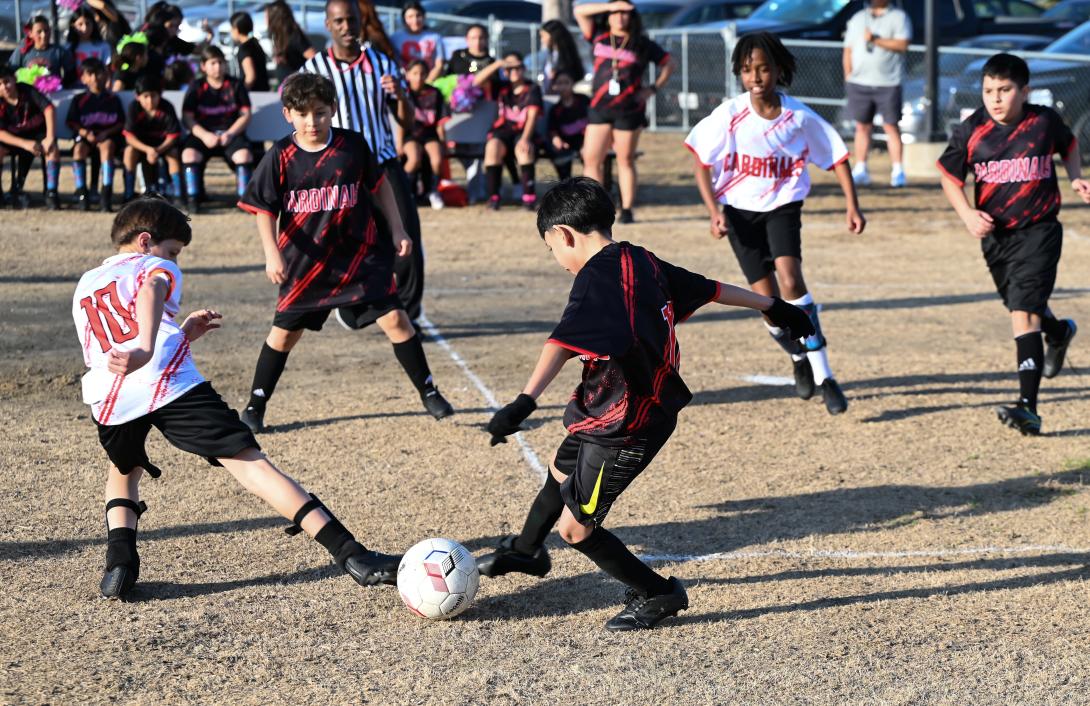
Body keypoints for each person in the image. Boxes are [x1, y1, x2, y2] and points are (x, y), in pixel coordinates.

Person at [476, 177, 815, 631]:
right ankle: (527, 550)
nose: (557, 261)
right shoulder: (640, 259)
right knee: (560, 472)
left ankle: (659, 593)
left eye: (551, 248)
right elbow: (711, 288)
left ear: (564, 235)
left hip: (628, 423)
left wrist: (523, 402)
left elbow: (560, 342)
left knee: (577, 530)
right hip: (605, 405)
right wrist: (772, 305)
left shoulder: (594, 277)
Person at [72, 196, 401, 600]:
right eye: (173, 251)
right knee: (250, 464)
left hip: (108, 396)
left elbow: (108, 338)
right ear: (145, 241)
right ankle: (354, 556)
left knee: (123, 472)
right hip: (165, 381)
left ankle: (119, 565)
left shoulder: (88, 282)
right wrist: (145, 348)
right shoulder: (153, 265)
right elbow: (151, 290)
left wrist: (178, 334)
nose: (175, 260)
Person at [236, 73, 453, 432]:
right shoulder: (281, 155)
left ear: (333, 110)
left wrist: (398, 228)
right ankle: (255, 404)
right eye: (303, 114)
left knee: (397, 320)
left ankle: (429, 392)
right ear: (288, 114)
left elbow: (380, 186)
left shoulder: (352, 146)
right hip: (306, 264)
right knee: (284, 335)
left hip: (359, 257)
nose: (312, 122)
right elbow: (263, 208)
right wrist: (271, 253)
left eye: (320, 113)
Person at [685, 32, 866, 416]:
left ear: (779, 70)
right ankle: (797, 356)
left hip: (783, 206)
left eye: (764, 68)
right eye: (748, 70)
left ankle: (826, 376)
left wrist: (853, 206)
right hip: (738, 212)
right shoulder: (730, 115)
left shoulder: (798, 116)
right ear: (739, 73)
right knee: (767, 303)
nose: (756, 77)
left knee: (791, 280)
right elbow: (701, 161)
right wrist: (713, 210)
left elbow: (837, 157)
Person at [937, 53, 1089, 436]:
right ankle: (1058, 333)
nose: (996, 99)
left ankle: (1028, 408)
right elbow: (949, 177)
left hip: (1039, 231)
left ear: (1025, 91)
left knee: (1022, 313)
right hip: (996, 237)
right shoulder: (972, 129)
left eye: (1005, 90)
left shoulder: (1043, 122)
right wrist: (968, 214)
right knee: (1023, 307)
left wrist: (1075, 178)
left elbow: (1069, 146)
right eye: (989, 90)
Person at [301, 0, 426, 322]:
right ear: (328, 25)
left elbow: (408, 121)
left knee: (406, 239)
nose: (347, 27)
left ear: (361, 22)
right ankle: (353, 309)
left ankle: (410, 315)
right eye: (339, 21)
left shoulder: (383, 63)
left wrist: (400, 94)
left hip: (383, 163)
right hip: (340, 171)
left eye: (352, 20)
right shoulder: (314, 71)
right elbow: (297, 117)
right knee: (347, 245)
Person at [574, 1, 672, 224]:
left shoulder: (641, 43)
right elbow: (578, 11)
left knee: (625, 159)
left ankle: (627, 209)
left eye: (625, 13)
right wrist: (610, 5)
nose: (620, 17)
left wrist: (652, 88)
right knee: (591, 158)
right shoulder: (597, 35)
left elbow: (669, 63)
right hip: (599, 107)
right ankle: (595, 207)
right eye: (615, 13)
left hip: (629, 110)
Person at [843, 0, 911, 188]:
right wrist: (848, 75)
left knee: (891, 127)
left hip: (888, 83)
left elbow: (903, 43)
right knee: (862, 127)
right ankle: (861, 168)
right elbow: (848, 49)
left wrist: (876, 40)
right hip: (859, 83)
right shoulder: (857, 18)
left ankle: (898, 171)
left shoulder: (899, 17)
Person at [181, 45, 254, 213]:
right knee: (189, 154)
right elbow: (187, 118)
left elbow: (246, 115)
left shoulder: (235, 85)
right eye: (213, 63)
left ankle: (244, 199)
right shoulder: (196, 86)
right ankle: (194, 198)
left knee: (244, 155)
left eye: (221, 62)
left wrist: (231, 133)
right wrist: (205, 135)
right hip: (203, 135)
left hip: (230, 134)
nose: (218, 67)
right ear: (203, 66)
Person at [472, 52, 543, 211]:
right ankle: (494, 197)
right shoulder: (501, 87)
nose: (514, 71)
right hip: (503, 131)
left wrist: (525, 139)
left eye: (518, 67)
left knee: (524, 149)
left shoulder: (532, 88)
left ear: (523, 69)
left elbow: (532, 117)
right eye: (510, 68)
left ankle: (529, 197)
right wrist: (498, 64)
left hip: (523, 132)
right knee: (492, 148)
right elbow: (476, 81)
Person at [66, 58, 125, 212]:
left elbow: (120, 122)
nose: (95, 78)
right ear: (83, 78)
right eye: (90, 74)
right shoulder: (79, 100)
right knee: (79, 150)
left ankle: (106, 194)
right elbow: (71, 122)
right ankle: (82, 193)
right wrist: (85, 132)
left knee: (108, 147)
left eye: (98, 74)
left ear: (105, 76)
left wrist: (106, 133)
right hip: (86, 136)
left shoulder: (113, 99)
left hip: (106, 136)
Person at [0, 64, 60, 209]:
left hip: (37, 135)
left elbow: (49, 108)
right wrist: (25, 144)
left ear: (14, 79)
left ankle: (51, 192)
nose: (4, 87)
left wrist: (50, 137)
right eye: (0, 84)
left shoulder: (27, 90)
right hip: (15, 139)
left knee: (52, 149)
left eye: (7, 81)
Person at [122, 75, 183, 203]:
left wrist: (158, 150)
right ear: (137, 96)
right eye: (145, 96)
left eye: (154, 96)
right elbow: (129, 137)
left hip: (163, 146)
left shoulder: (167, 107)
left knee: (173, 153)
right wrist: (149, 150)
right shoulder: (134, 108)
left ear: (160, 95)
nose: (150, 101)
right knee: (129, 152)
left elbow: (173, 136)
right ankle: (128, 193)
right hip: (142, 146)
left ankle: (178, 194)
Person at [402, 59, 449, 210]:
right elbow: (399, 122)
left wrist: (443, 142)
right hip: (410, 134)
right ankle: (404, 190)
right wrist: (398, 144)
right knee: (414, 158)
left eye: (422, 74)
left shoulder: (435, 93)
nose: (419, 77)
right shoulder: (404, 93)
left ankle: (433, 191)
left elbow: (440, 123)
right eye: (415, 73)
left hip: (429, 134)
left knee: (436, 159)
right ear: (408, 75)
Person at [10, 16, 77, 87]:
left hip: (53, 95)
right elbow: (11, 72)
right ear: (30, 34)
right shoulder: (22, 51)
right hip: (29, 95)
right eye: (39, 32)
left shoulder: (59, 51)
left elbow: (71, 75)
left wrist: (57, 85)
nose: (44, 35)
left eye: (46, 30)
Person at [546, 70, 590, 180]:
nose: (563, 86)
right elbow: (552, 130)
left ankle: (590, 185)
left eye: (566, 83)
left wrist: (588, 142)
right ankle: (566, 184)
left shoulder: (584, 101)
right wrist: (556, 139)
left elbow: (594, 121)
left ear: (572, 84)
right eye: (559, 83)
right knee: (559, 154)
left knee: (589, 155)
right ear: (554, 86)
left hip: (587, 139)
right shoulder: (555, 109)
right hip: (566, 142)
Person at [390, 1, 445, 81]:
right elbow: (395, 63)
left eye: (418, 15)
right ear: (404, 19)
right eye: (410, 17)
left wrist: (426, 83)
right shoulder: (395, 38)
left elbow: (439, 65)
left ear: (424, 17)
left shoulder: (435, 37)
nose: (415, 20)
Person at [266, 0, 316, 82]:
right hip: (287, 86)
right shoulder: (277, 35)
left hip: (297, 86)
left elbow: (314, 58)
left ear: (275, 17)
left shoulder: (293, 35)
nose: (266, 19)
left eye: (267, 15)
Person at [446, 23, 498, 98]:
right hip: (458, 99)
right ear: (467, 39)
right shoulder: (458, 55)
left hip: (483, 102)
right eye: (473, 38)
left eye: (481, 38)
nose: (477, 42)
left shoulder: (492, 62)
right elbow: (448, 77)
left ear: (486, 39)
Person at [539, 19, 584, 94]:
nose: (542, 40)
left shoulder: (567, 57)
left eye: (543, 36)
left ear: (553, 34)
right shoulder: (550, 55)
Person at [231, 11, 271, 92]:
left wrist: (241, 93)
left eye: (232, 28)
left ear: (237, 29)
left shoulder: (244, 49)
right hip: (264, 90)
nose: (230, 31)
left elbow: (250, 76)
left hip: (254, 94)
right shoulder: (255, 43)